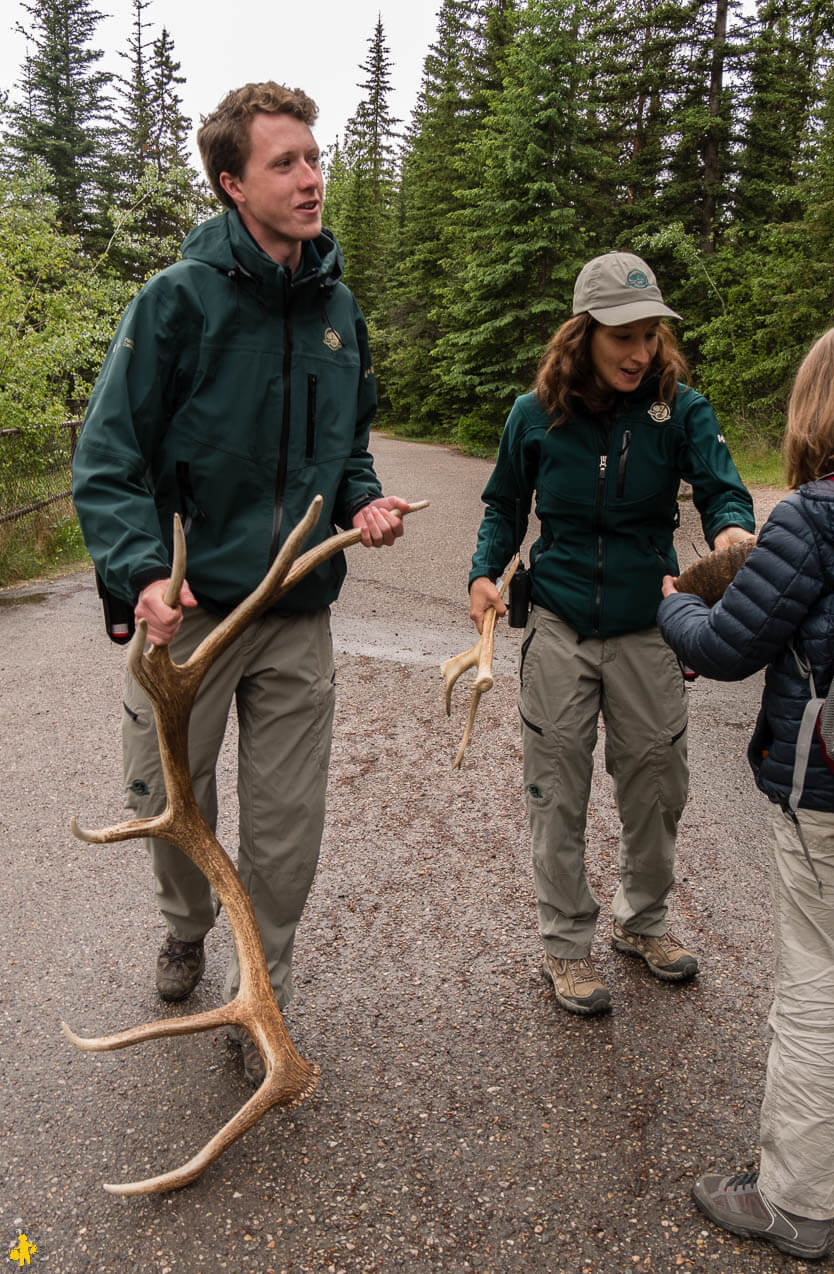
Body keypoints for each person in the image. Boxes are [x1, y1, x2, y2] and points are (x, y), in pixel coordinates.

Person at [72, 81, 411, 1086]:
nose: (312, 178)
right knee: (163, 798)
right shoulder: (175, 301)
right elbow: (107, 457)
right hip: (191, 618)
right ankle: (184, 925)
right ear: (232, 183)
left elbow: (348, 447)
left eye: (314, 157)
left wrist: (369, 501)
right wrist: (141, 576)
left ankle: (264, 985)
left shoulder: (339, 310)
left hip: (298, 610)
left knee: (284, 826)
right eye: (285, 163)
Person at [466, 251, 755, 1016]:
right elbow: (504, 505)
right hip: (559, 619)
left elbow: (725, 492)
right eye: (624, 334)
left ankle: (644, 922)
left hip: (649, 624)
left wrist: (731, 540)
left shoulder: (681, 409)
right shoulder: (535, 415)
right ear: (584, 333)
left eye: (652, 333)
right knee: (556, 785)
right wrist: (484, 573)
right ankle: (565, 946)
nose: (640, 351)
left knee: (658, 783)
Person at [658, 320, 834, 1261]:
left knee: (817, 985)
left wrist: (673, 602)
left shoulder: (815, 516)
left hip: (831, 793)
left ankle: (795, 1199)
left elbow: (725, 648)